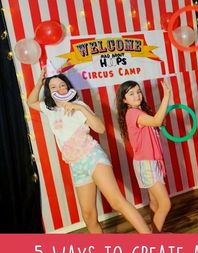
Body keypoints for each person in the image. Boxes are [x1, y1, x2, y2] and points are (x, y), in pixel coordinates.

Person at [27, 67, 151, 234]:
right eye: (53, 87)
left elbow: (100, 129)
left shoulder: (78, 104)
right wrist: (39, 83)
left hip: (92, 156)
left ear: (68, 87)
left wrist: (80, 109)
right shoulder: (49, 109)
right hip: (76, 165)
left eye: (62, 85)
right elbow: (30, 102)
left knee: (117, 202)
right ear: (49, 91)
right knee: (88, 215)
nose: (58, 89)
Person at [116, 80, 171, 233]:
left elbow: (155, 124)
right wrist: (166, 96)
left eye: (138, 91)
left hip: (148, 162)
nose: (137, 95)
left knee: (154, 202)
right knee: (165, 204)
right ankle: (152, 240)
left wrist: (157, 124)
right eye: (131, 93)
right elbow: (156, 120)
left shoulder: (138, 112)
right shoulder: (134, 113)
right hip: (146, 164)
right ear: (124, 100)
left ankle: (155, 233)